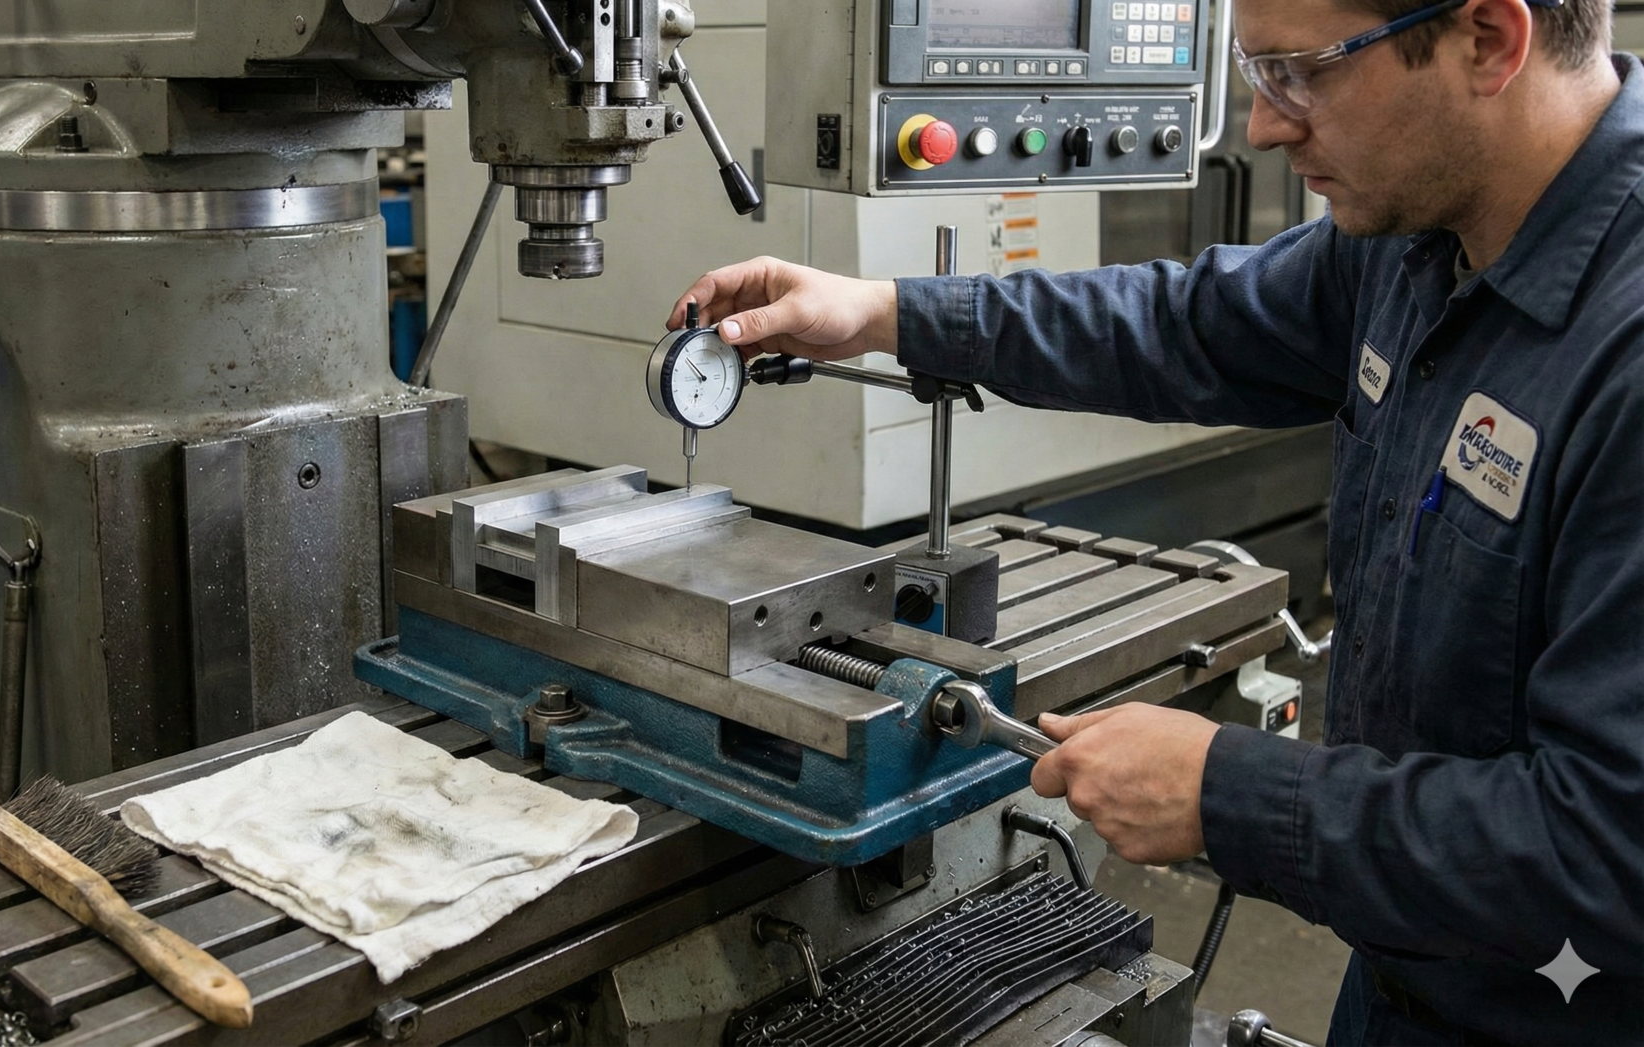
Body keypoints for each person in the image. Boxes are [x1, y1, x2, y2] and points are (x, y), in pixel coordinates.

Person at [672, 0, 1644, 1040]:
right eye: (1254, 76)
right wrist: (888, 314)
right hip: (1403, 981)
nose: (1263, 128)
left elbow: (1611, 852)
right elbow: (1188, 323)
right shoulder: (1420, 240)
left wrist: (1226, 791)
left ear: (1489, 41)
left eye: (1299, 73)